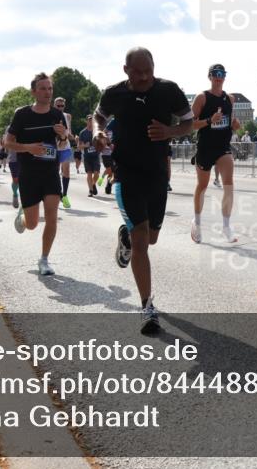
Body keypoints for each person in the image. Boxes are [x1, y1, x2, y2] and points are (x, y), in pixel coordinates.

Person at [97, 48, 193, 334]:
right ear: (125, 69)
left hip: (157, 176)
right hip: (126, 174)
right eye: (137, 72)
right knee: (142, 240)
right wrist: (98, 131)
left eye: (147, 71)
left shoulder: (169, 90)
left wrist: (171, 132)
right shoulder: (114, 93)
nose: (143, 77)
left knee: (150, 239)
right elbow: (98, 117)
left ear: (154, 67)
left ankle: (125, 237)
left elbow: (188, 122)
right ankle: (147, 307)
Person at [5, 73, 68, 275]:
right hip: (29, 175)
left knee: (52, 216)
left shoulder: (57, 116)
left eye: (50, 88)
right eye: (42, 88)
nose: (47, 92)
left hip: (50, 172)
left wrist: (64, 135)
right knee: (32, 225)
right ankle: (23, 217)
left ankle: (44, 260)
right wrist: (28, 148)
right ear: (33, 91)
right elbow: (8, 142)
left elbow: (63, 143)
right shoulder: (22, 114)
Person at [190, 63, 242, 244]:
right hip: (205, 147)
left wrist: (234, 126)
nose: (219, 77)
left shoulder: (230, 99)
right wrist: (208, 120)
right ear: (210, 76)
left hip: (223, 147)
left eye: (222, 74)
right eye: (215, 74)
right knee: (202, 186)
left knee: (229, 184)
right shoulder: (201, 98)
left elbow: (229, 123)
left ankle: (226, 226)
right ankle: (196, 222)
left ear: (225, 77)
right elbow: (190, 124)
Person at [53, 97, 75, 208]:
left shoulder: (68, 116)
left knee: (66, 170)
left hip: (65, 146)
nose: (60, 108)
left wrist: (72, 137)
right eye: (58, 106)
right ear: (54, 105)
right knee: (55, 172)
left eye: (62, 106)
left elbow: (68, 132)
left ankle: (65, 195)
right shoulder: (50, 115)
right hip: (54, 148)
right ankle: (59, 193)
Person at [79, 115, 102, 196]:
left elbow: (102, 142)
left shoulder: (97, 132)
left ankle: (93, 184)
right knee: (89, 173)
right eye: (89, 120)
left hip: (96, 156)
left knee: (96, 174)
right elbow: (79, 146)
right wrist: (85, 146)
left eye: (92, 120)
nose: (90, 122)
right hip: (87, 157)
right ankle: (90, 191)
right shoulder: (83, 132)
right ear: (86, 121)